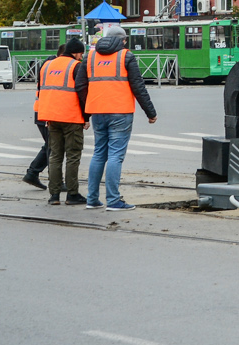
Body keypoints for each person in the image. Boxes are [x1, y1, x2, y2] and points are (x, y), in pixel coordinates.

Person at [84, 26, 157, 211]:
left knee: (99, 153)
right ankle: (114, 201)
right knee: (115, 155)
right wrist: (150, 113)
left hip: (97, 112)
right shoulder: (126, 56)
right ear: (123, 40)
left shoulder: (90, 57)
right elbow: (138, 86)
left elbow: (80, 85)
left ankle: (92, 199)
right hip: (120, 112)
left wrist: (86, 113)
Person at [37, 38, 89, 206]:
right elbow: (82, 92)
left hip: (51, 118)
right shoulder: (75, 66)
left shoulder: (46, 65)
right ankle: (72, 194)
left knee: (55, 156)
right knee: (73, 156)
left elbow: (43, 90)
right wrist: (86, 117)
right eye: (81, 53)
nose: (81, 56)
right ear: (75, 52)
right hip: (71, 117)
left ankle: (54, 195)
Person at [22, 45, 62, 190]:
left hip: (42, 113)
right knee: (53, 147)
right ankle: (53, 180)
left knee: (50, 145)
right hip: (45, 113)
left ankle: (33, 174)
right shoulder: (51, 74)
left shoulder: (46, 71)